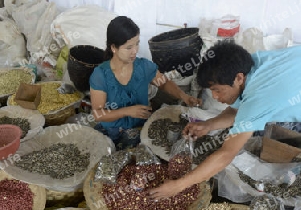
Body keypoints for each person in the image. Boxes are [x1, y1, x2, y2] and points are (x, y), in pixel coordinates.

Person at [148, 41, 301, 199]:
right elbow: (238, 110)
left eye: (217, 90)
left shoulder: (259, 96)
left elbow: (226, 154)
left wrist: (178, 186)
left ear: (239, 78)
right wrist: (208, 125)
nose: (214, 96)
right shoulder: (252, 65)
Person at [90, 16, 200, 150]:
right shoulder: (101, 74)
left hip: (140, 127)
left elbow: (163, 83)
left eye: (137, 43)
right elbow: (98, 113)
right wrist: (127, 111)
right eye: (129, 47)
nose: (135, 50)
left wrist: (184, 96)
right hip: (112, 130)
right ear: (114, 47)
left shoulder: (143, 66)